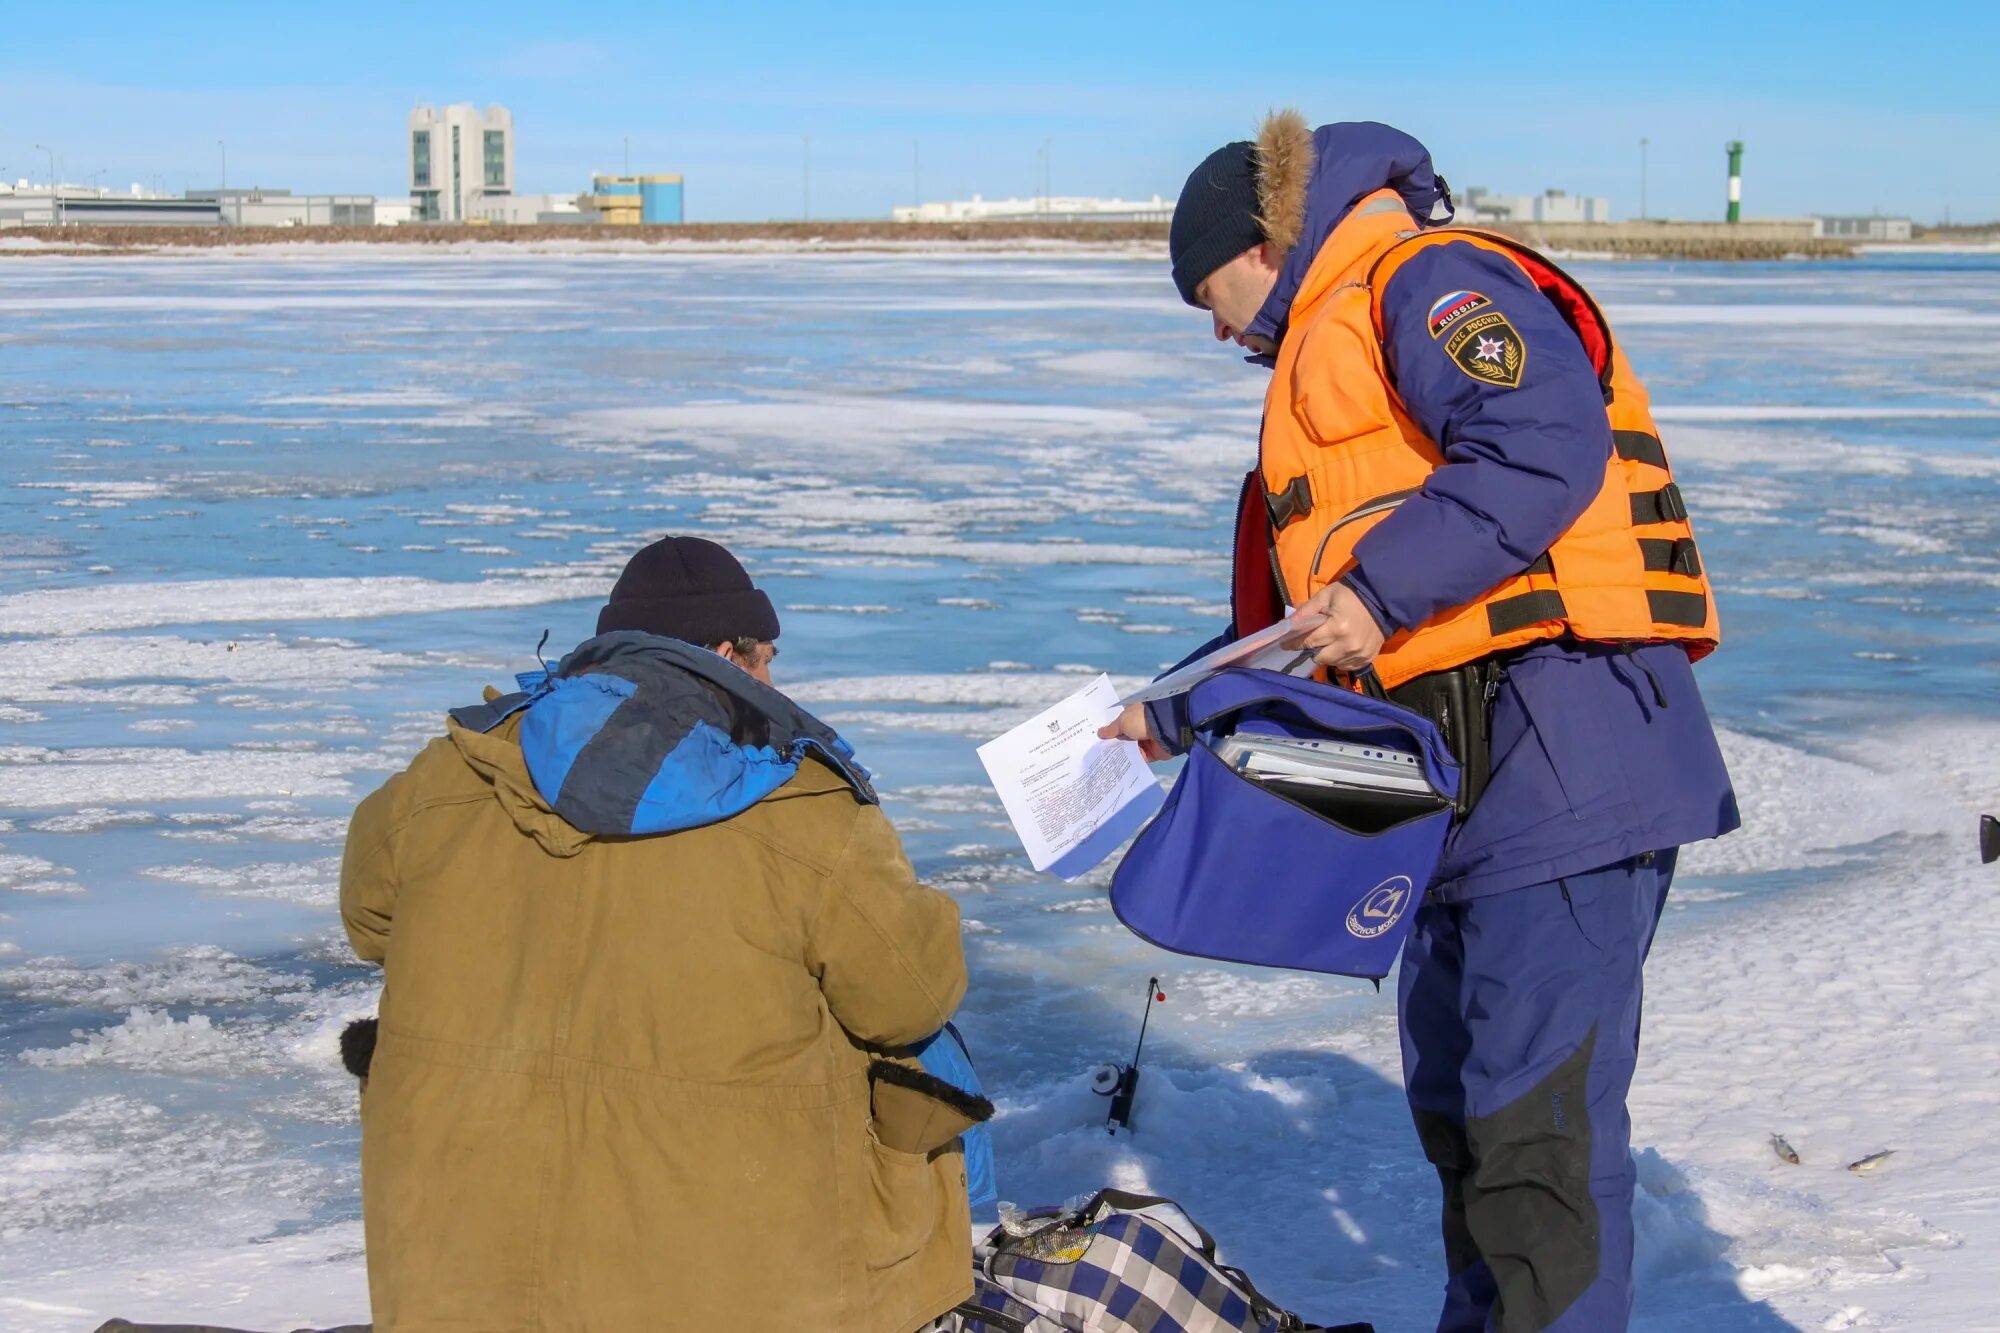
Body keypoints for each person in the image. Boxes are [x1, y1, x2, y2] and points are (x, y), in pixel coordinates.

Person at [1102, 113, 1740, 1332]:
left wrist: (1379, 591)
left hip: (1560, 768)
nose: (1219, 329)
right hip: (1450, 796)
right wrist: (1171, 712)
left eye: (1210, 294)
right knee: (1460, 1116)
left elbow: (1540, 446)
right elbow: (1307, 623)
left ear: (1261, 241)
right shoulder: (1322, 365)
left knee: (1531, 1131)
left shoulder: (1426, 281)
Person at [340, 535, 979, 1332]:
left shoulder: (445, 775)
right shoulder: (805, 810)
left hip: (455, 1275)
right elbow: (910, 996)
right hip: (739, 1288)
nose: (773, 682)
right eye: (766, 658)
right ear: (726, 653)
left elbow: (368, 918)